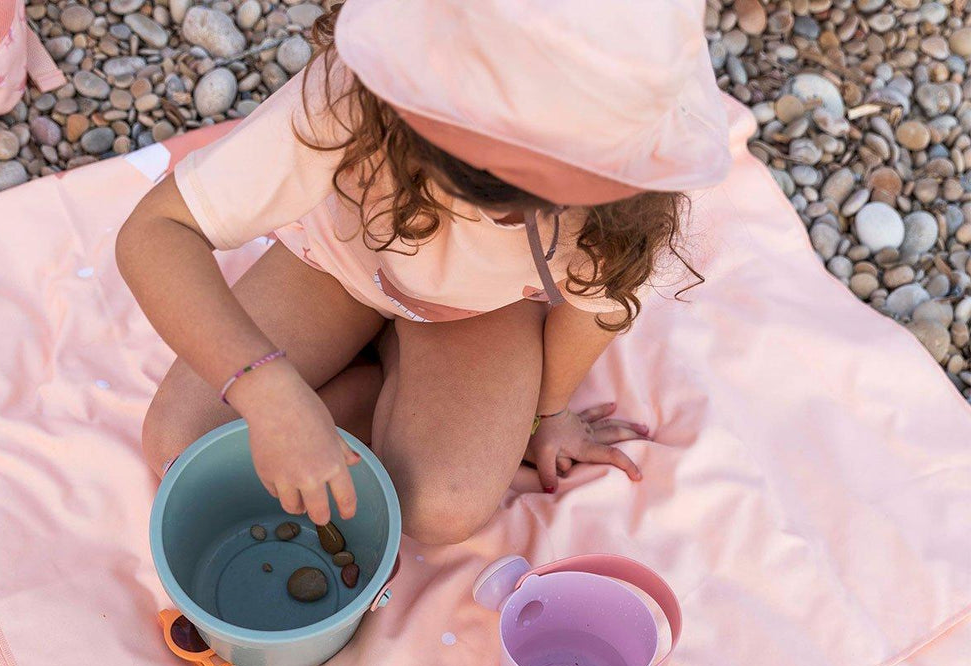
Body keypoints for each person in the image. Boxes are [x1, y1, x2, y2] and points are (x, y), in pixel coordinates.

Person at [116, 0, 731, 545]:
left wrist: (548, 413)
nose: (503, 210)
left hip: (476, 314)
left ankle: (379, 380)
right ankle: (370, 378)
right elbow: (157, 231)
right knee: (179, 446)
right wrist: (267, 391)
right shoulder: (352, 100)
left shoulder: (631, 190)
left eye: (537, 191)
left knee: (439, 508)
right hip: (335, 264)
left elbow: (595, 306)